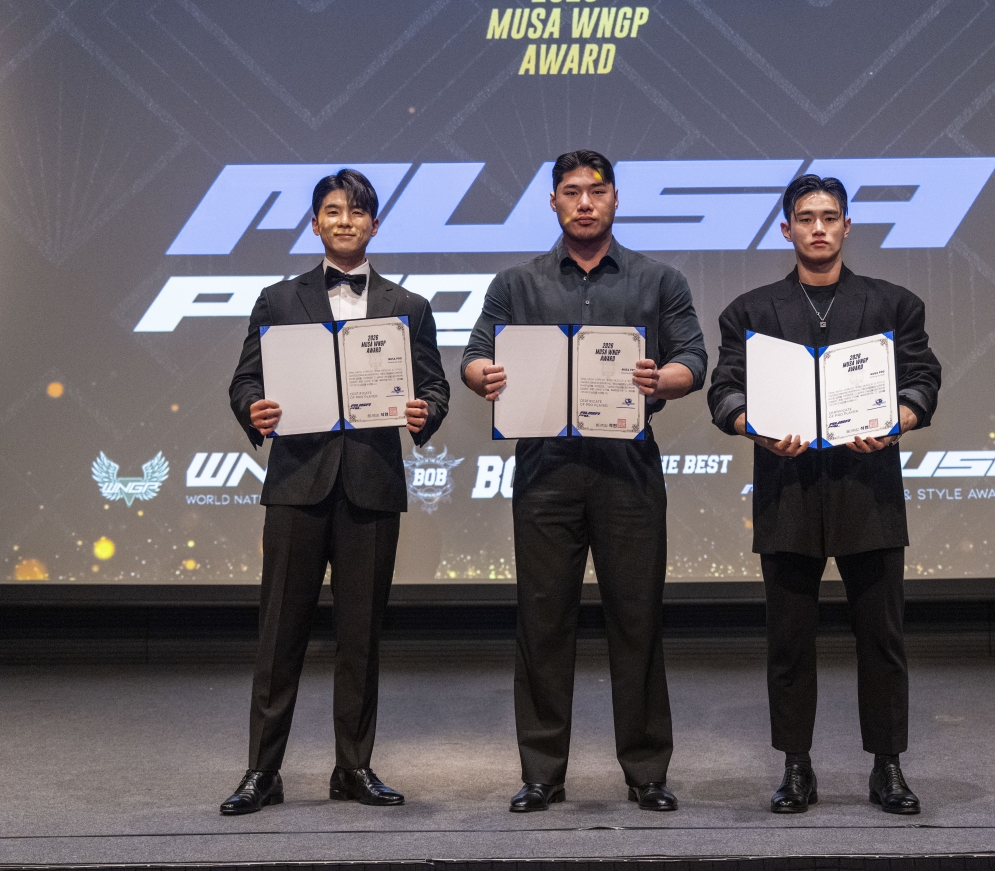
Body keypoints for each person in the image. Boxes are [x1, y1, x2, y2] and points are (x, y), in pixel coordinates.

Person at [461, 149, 707, 813]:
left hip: (628, 470)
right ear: (553, 202)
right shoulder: (516, 284)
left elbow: (693, 358)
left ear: (615, 198)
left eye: (596, 191)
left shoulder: (660, 280)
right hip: (547, 471)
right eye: (570, 192)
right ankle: (542, 772)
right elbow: (475, 357)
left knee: (637, 619)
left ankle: (646, 772)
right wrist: (484, 376)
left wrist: (664, 379)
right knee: (543, 622)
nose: (584, 202)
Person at [706, 173, 941, 815]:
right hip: (787, 490)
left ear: (846, 226)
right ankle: (796, 767)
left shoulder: (893, 304)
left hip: (869, 490)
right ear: (786, 229)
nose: (818, 228)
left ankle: (887, 768)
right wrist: (751, 425)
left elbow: (923, 379)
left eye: (829, 217)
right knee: (789, 642)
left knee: (882, 639)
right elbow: (723, 390)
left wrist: (898, 419)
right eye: (806, 218)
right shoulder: (750, 313)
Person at [221, 168, 450, 815]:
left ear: (375, 225)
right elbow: (244, 381)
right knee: (279, 635)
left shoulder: (410, 307)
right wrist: (254, 409)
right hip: (297, 483)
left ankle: (353, 767)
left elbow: (434, 387)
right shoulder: (277, 300)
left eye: (356, 211)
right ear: (315, 223)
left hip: (371, 486)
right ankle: (262, 772)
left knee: (361, 637)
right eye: (332, 210)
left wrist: (424, 413)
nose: (344, 220)